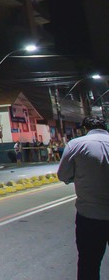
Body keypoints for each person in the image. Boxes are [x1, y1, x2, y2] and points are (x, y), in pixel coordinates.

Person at [58, 116, 109, 280]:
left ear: (84, 129)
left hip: (89, 216)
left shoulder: (76, 144)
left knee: (89, 264)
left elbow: (63, 174)